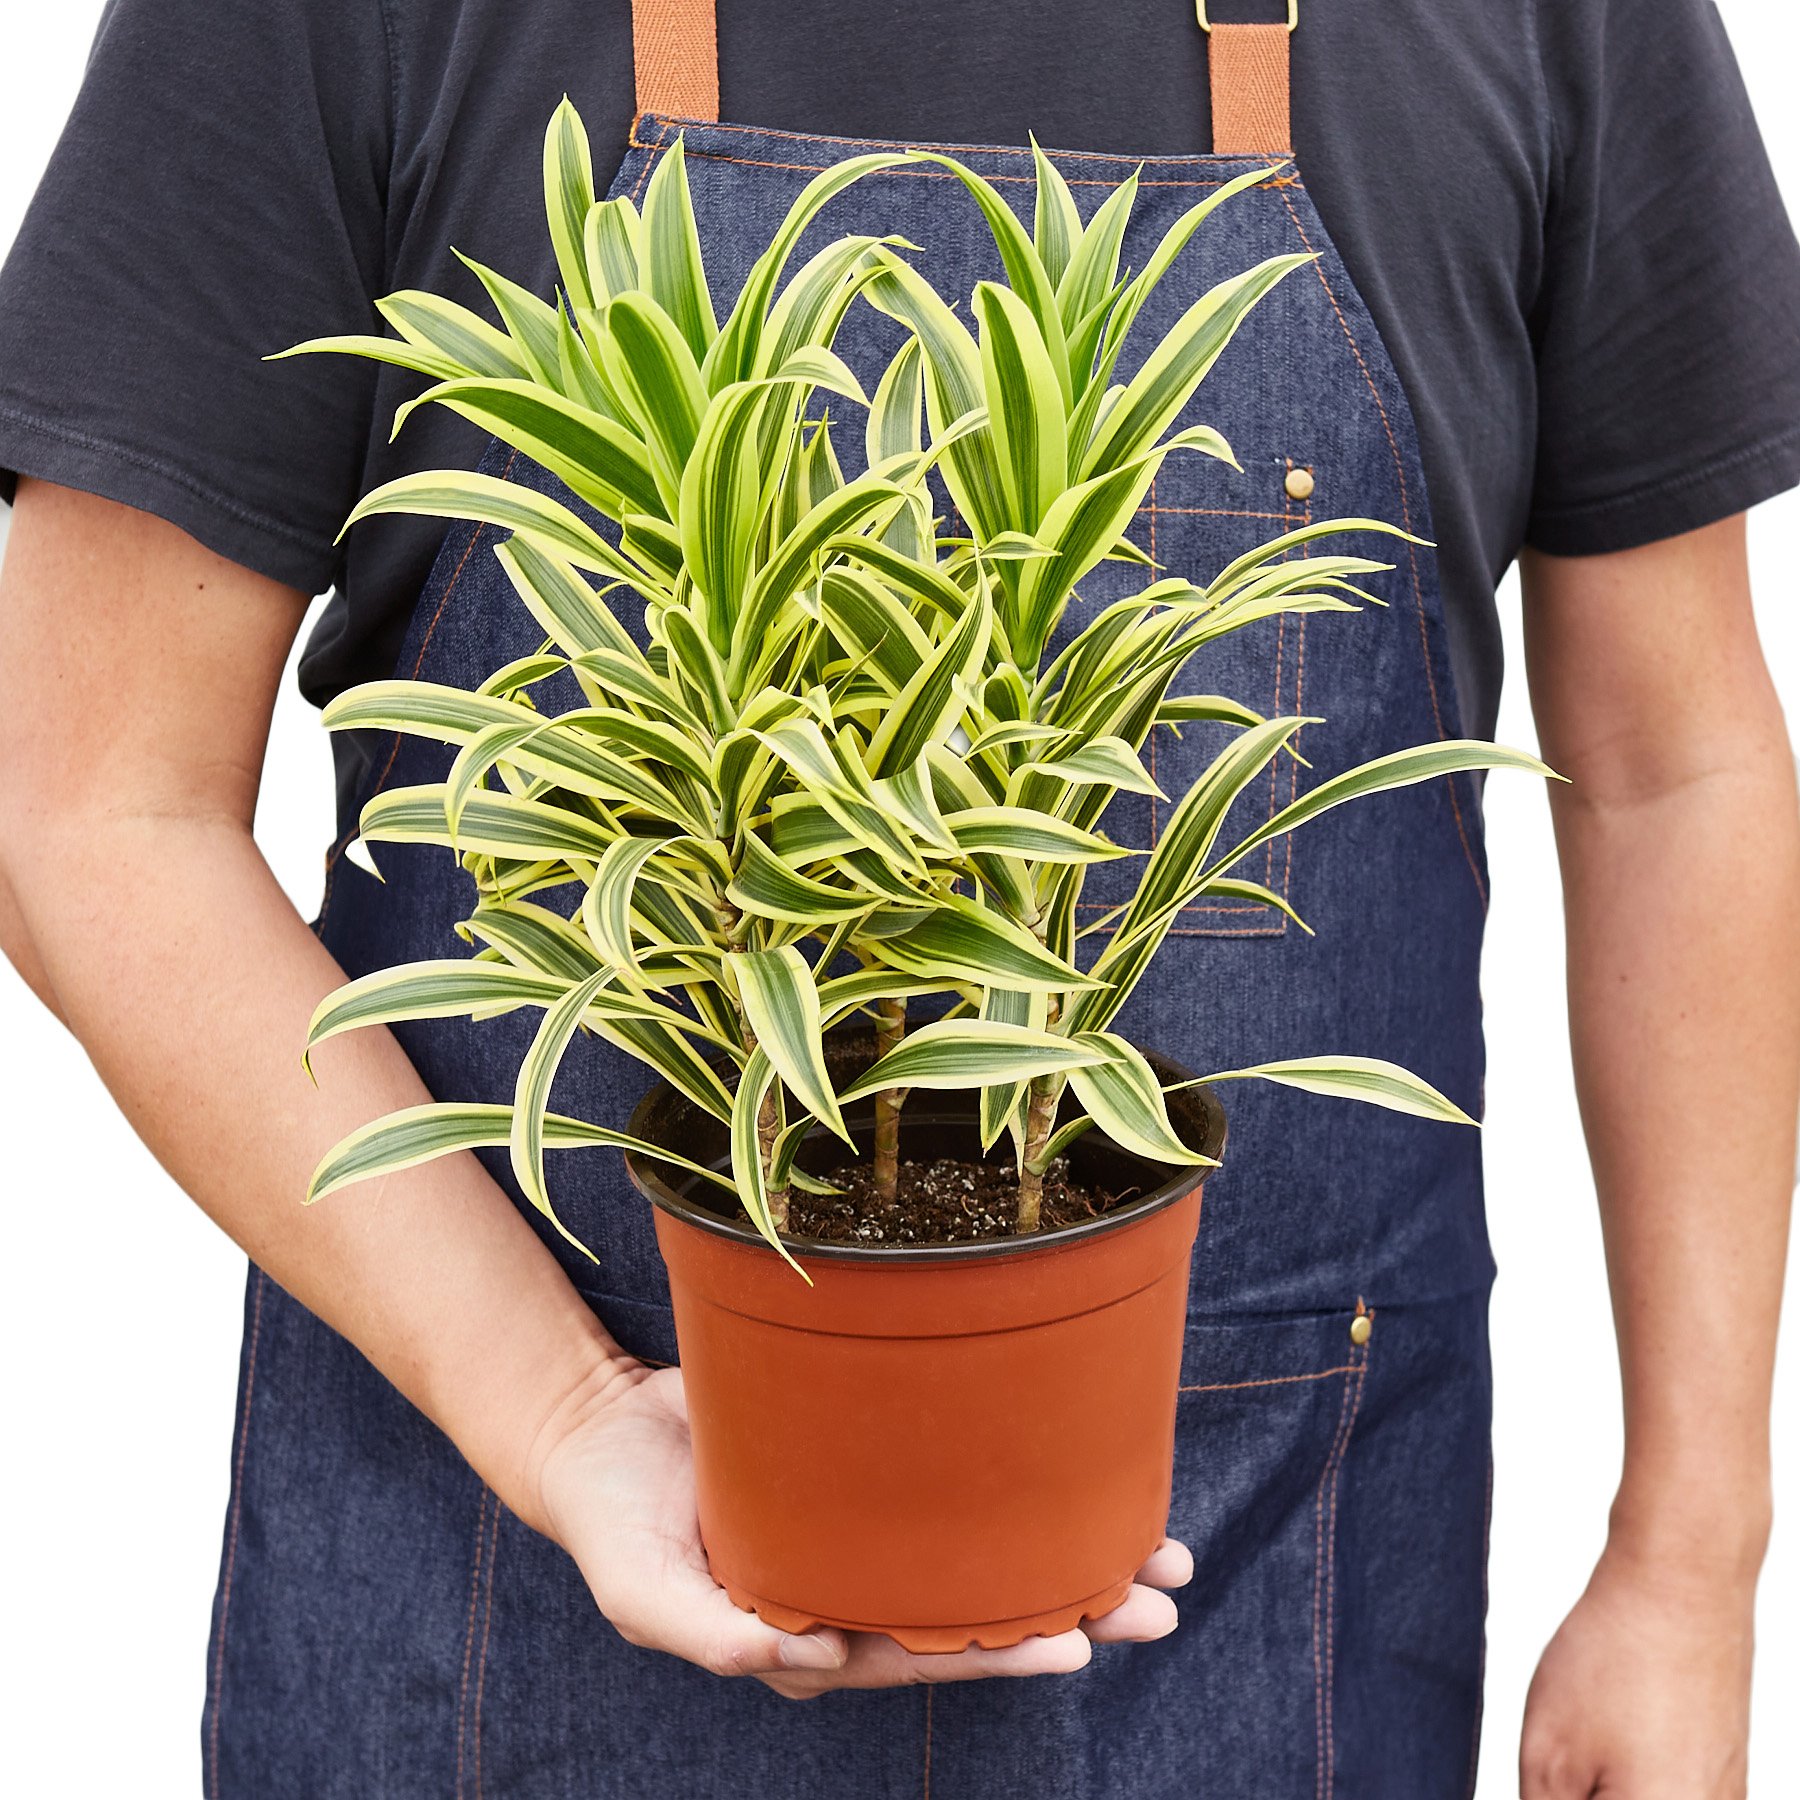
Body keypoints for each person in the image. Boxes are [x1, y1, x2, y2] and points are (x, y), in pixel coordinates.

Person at [1, 0, 1795, 1794]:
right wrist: (554, 1412)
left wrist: (1694, 1563)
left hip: (1274, 1598)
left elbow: (1675, 774)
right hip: (495, 1600)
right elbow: (85, 798)